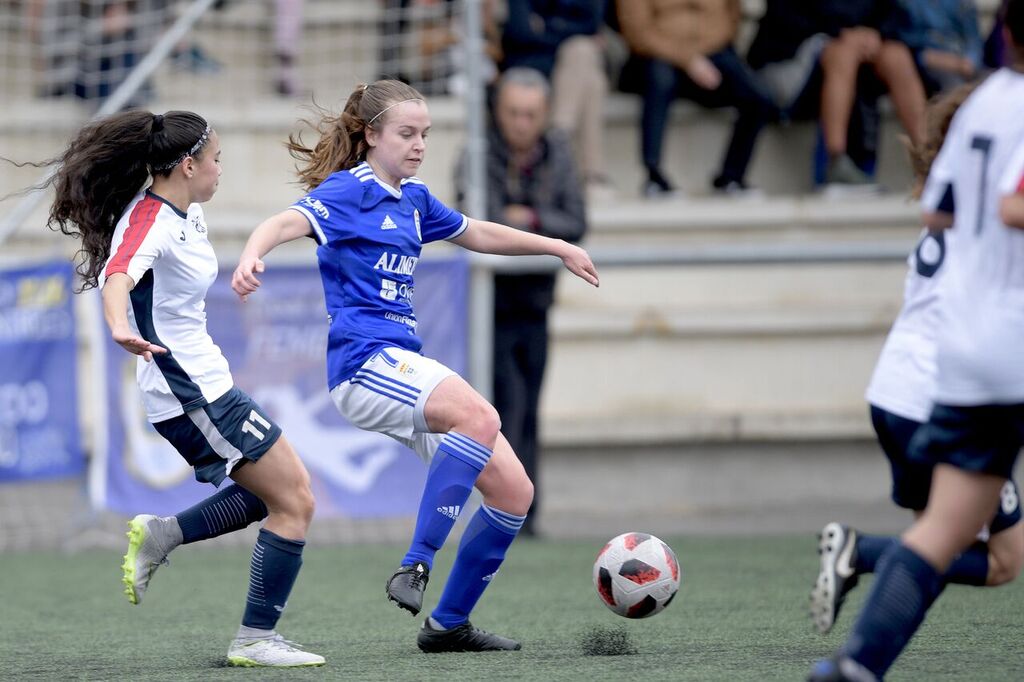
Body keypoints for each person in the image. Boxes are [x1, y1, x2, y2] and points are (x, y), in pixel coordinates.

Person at [230, 78, 599, 652]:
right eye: (406, 133)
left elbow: (476, 232)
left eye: (424, 133)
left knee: (513, 492)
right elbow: (282, 224)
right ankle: (416, 564)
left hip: (401, 362)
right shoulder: (348, 191)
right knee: (480, 417)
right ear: (371, 135)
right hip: (362, 364)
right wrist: (254, 255)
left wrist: (555, 244)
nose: (419, 144)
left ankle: (448, 625)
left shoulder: (415, 198)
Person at [40, 110, 324, 668]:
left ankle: (164, 534)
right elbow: (119, 271)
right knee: (296, 501)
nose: (221, 170)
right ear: (189, 164)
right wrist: (119, 324)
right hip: (186, 394)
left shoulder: (186, 213)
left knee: (280, 495)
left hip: (209, 382)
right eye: (216, 159)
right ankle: (254, 640)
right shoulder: (150, 220)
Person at [810, 2, 1024, 678]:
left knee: (952, 537)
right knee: (993, 556)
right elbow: (1012, 206)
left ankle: (856, 666)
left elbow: (943, 209)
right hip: (998, 356)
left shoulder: (986, 102)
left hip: (959, 361)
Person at [454, 67, 588, 538]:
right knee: (500, 410)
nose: (521, 122)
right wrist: (539, 233)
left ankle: (528, 515)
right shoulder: (478, 151)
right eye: (513, 112)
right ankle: (501, 513)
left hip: (535, 303)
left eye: (530, 114)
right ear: (499, 111)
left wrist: (527, 217)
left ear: (545, 115)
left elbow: (575, 220)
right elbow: (473, 221)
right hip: (488, 306)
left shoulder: (560, 153)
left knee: (529, 409)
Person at [747, 0, 927, 189]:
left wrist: (876, 34)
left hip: (852, 60)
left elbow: (892, 14)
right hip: (788, 63)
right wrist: (842, 32)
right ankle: (836, 161)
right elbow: (788, 20)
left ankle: (928, 157)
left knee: (896, 56)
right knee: (843, 52)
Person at [615, 0, 778, 197]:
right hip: (658, 55)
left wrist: (705, 51)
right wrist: (688, 59)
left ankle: (731, 177)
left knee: (758, 96)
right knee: (659, 79)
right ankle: (653, 175)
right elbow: (638, 33)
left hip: (713, 52)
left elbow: (732, 16)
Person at [501, 0, 612, 195]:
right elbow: (521, 31)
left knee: (582, 53)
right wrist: (567, 30)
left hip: (570, 61)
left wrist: (546, 27)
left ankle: (559, 136)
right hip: (531, 60)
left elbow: (592, 24)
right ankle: (592, 174)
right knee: (591, 76)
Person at [895, 0, 983, 95]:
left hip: (964, 60)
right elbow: (909, 42)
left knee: (989, 83)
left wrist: (970, 61)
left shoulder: (962, 3)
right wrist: (930, 58)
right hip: (930, 62)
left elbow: (973, 38)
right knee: (954, 86)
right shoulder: (908, 5)